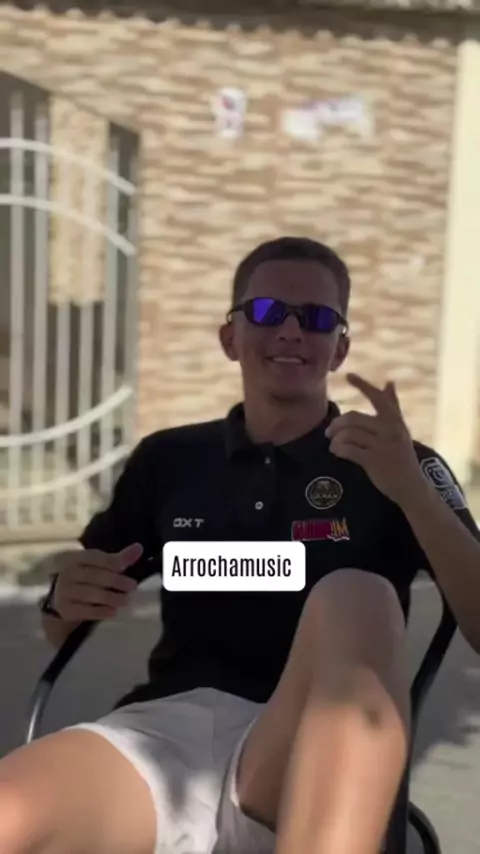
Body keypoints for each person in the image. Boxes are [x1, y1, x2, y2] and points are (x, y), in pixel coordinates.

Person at [1, 236, 480, 854]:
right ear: (230, 337)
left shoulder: (398, 462)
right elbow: (66, 625)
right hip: (164, 735)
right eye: (266, 311)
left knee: (358, 595)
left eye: (316, 318)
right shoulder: (168, 458)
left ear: (340, 348)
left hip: (309, 747)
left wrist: (413, 492)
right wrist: (63, 598)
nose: (290, 330)